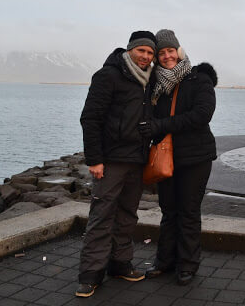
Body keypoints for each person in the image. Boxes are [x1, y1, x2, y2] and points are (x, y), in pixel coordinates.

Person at [76, 31, 157, 298]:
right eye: (142, 51)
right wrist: (95, 159)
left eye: (150, 53)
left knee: (127, 216)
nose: (146, 57)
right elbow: (90, 118)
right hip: (110, 160)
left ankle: (120, 264)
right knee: (101, 217)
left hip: (136, 160)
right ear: (130, 50)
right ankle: (91, 274)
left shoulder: (148, 80)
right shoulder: (108, 75)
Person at [138, 29, 217, 286]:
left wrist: (160, 126)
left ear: (179, 51)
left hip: (195, 158)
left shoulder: (199, 79)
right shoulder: (155, 85)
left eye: (170, 51)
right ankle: (165, 261)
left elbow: (201, 115)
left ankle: (188, 264)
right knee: (168, 211)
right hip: (166, 157)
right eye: (161, 53)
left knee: (189, 211)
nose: (167, 56)